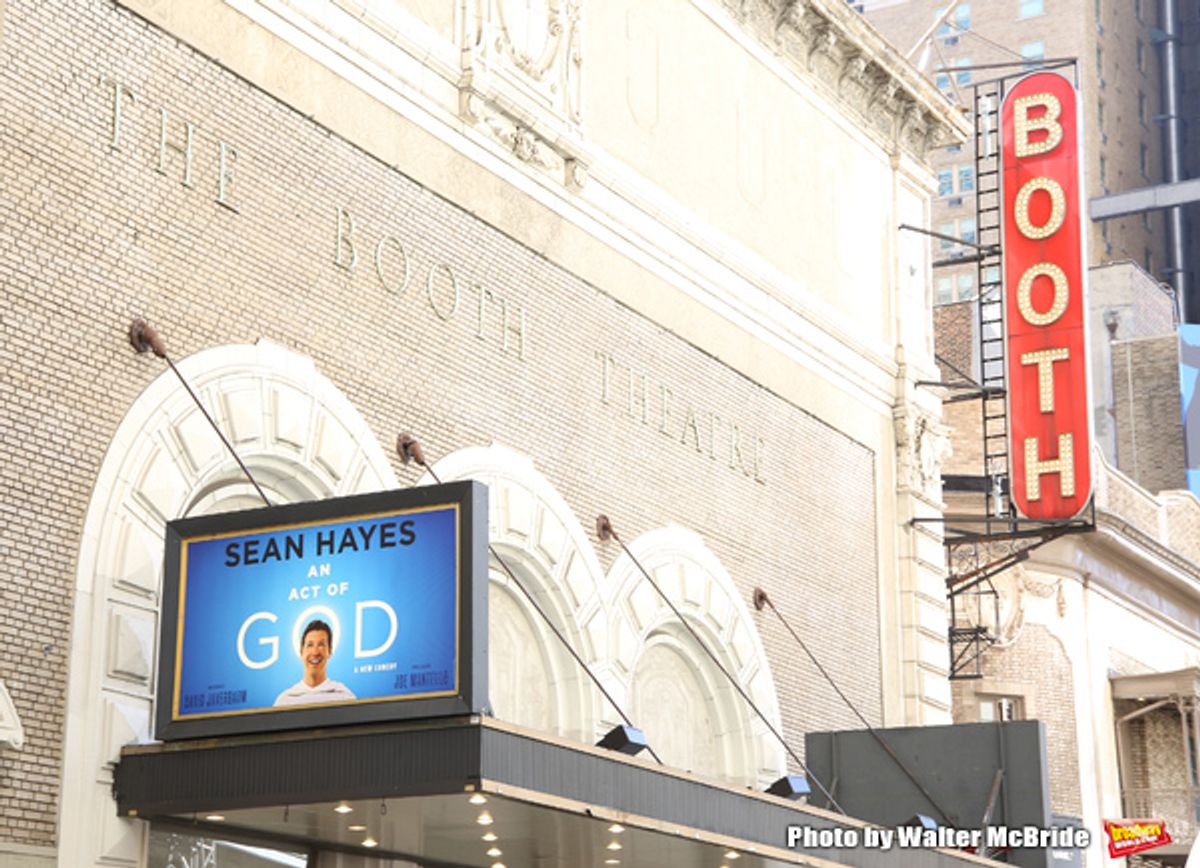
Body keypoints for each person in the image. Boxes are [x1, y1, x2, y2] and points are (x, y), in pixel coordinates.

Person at [273, 619, 356, 707]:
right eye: (310, 645)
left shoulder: (344, 697)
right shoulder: (284, 701)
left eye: (321, 644)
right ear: (301, 653)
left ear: (330, 652)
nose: (315, 652)